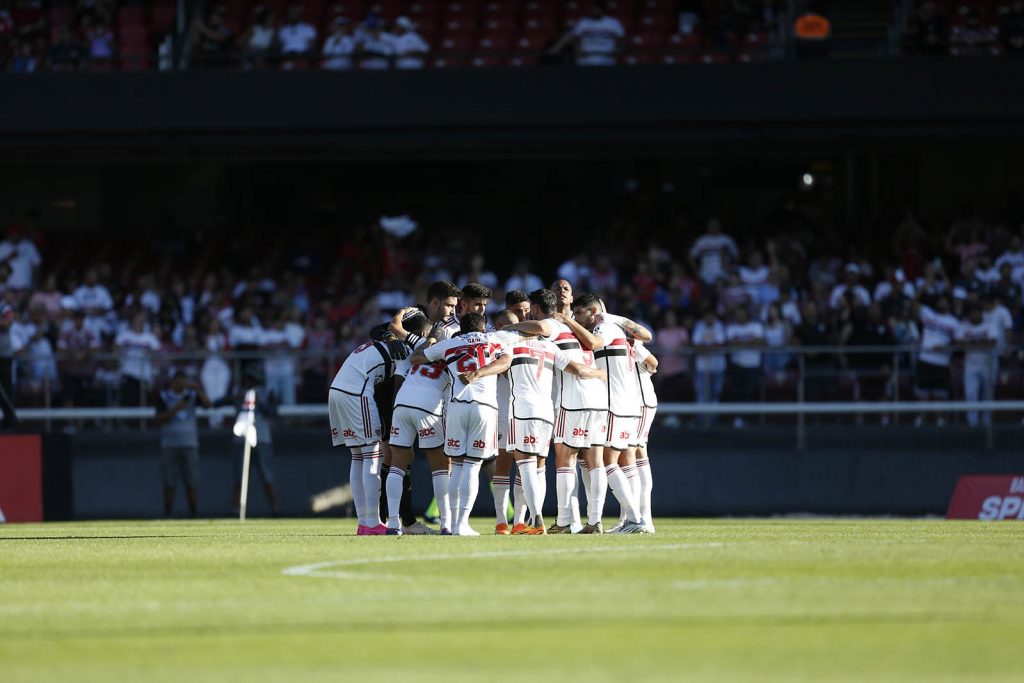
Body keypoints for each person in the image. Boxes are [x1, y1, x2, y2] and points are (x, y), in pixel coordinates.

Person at [408, 312, 513, 536]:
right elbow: (506, 361)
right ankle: (462, 524)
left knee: (455, 465)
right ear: (483, 328)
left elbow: (415, 359)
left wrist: (433, 344)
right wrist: (479, 372)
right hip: (484, 406)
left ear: (462, 328)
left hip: (456, 405)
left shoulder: (450, 343)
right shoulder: (494, 340)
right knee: (473, 466)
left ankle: (453, 522)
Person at [555, 293, 649, 534]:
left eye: (580, 313)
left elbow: (594, 344)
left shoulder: (604, 327)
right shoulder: (618, 327)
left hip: (614, 403)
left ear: (593, 311)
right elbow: (647, 338)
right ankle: (636, 518)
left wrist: (567, 322)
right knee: (623, 462)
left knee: (608, 462)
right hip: (626, 403)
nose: (577, 317)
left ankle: (635, 519)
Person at [328, 317, 417, 535]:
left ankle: (364, 522)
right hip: (356, 393)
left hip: (337, 390)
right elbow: (398, 384)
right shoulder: (404, 349)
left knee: (357, 457)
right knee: (372, 456)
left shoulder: (380, 339)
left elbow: (378, 329)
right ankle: (373, 521)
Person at [382, 308, 448, 535]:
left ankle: (392, 524)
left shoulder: (414, 348)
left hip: (402, 403)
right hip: (427, 405)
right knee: (440, 467)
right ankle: (447, 524)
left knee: (397, 464)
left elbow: (392, 328)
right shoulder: (451, 348)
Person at [154, 373, 211, 517]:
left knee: (191, 480)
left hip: (190, 444)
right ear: (174, 381)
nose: (183, 385)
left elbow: (208, 405)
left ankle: (193, 512)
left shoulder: (191, 396)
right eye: (181, 381)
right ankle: (168, 513)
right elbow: (158, 419)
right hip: (169, 445)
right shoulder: (163, 396)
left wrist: (198, 390)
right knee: (169, 481)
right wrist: (175, 409)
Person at [226, 367, 279, 516]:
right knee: (239, 476)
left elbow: (274, 412)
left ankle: (274, 508)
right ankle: (235, 508)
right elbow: (221, 401)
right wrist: (237, 397)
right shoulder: (238, 392)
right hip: (241, 438)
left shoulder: (267, 391)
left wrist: (260, 402)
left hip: (262, 438)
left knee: (266, 474)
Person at [915, 296, 959, 427]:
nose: (942, 302)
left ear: (949, 304)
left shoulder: (954, 322)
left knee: (939, 394)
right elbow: (913, 303)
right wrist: (926, 285)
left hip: (942, 362)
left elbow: (958, 343)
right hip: (925, 359)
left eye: (944, 300)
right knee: (923, 393)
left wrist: (945, 347)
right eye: (940, 300)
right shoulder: (928, 313)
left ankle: (940, 420)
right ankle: (920, 419)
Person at [632, 340, 658, 533]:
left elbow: (653, 363)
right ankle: (634, 517)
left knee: (638, 452)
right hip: (629, 402)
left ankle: (644, 518)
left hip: (639, 401)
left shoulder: (630, 341)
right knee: (631, 455)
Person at [955, 305, 998, 427]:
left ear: (981, 313)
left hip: (988, 364)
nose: (974, 315)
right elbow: (959, 345)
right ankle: (972, 423)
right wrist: (980, 343)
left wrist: (971, 344)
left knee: (987, 394)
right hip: (970, 365)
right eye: (972, 313)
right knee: (970, 394)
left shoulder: (990, 324)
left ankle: (986, 422)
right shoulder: (963, 325)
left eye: (976, 312)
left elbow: (992, 343)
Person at [548, 0, 625, 66]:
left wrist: (618, 50)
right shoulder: (583, 23)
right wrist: (576, 49)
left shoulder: (613, 23)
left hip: (606, 62)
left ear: (602, 9)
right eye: (592, 9)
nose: (593, 11)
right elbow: (571, 37)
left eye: (596, 9)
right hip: (586, 62)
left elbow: (621, 41)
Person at [725, 306, 765, 427]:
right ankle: (738, 418)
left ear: (747, 315)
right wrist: (749, 342)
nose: (739, 316)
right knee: (737, 392)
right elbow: (730, 343)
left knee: (749, 392)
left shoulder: (756, 326)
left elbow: (760, 341)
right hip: (736, 365)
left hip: (752, 365)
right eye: (738, 314)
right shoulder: (731, 327)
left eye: (742, 313)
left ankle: (747, 418)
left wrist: (741, 343)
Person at [115, 311, 162, 407]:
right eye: (137, 320)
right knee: (129, 399)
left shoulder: (150, 338)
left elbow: (158, 355)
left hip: (144, 375)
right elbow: (115, 350)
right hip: (128, 373)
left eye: (142, 321)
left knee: (143, 401)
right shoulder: (124, 335)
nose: (139, 322)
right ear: (133, 321)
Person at [692, 306, 726, 425]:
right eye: (707, 316)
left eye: (712, 316)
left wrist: (705, 348)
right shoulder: (699, 326)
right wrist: (711, 347)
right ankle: (702, 419)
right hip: (702, 367)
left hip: (717, 367)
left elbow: (721, 344)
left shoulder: (719, 325)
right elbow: (696, 345)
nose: (709, 319)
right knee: (701, 393)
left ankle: (713, 419)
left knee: (716, 392)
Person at [688, 218, 739, 285]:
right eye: (711, 225)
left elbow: (736, 256)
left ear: (719, 226)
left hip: (724, 277)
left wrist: (732, 271)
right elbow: (691, 257)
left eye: (716, 225)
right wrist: (696, 272)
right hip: (705, 277)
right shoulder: (701, 240)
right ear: (708, 227)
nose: (714, 227)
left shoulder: (727, 239)